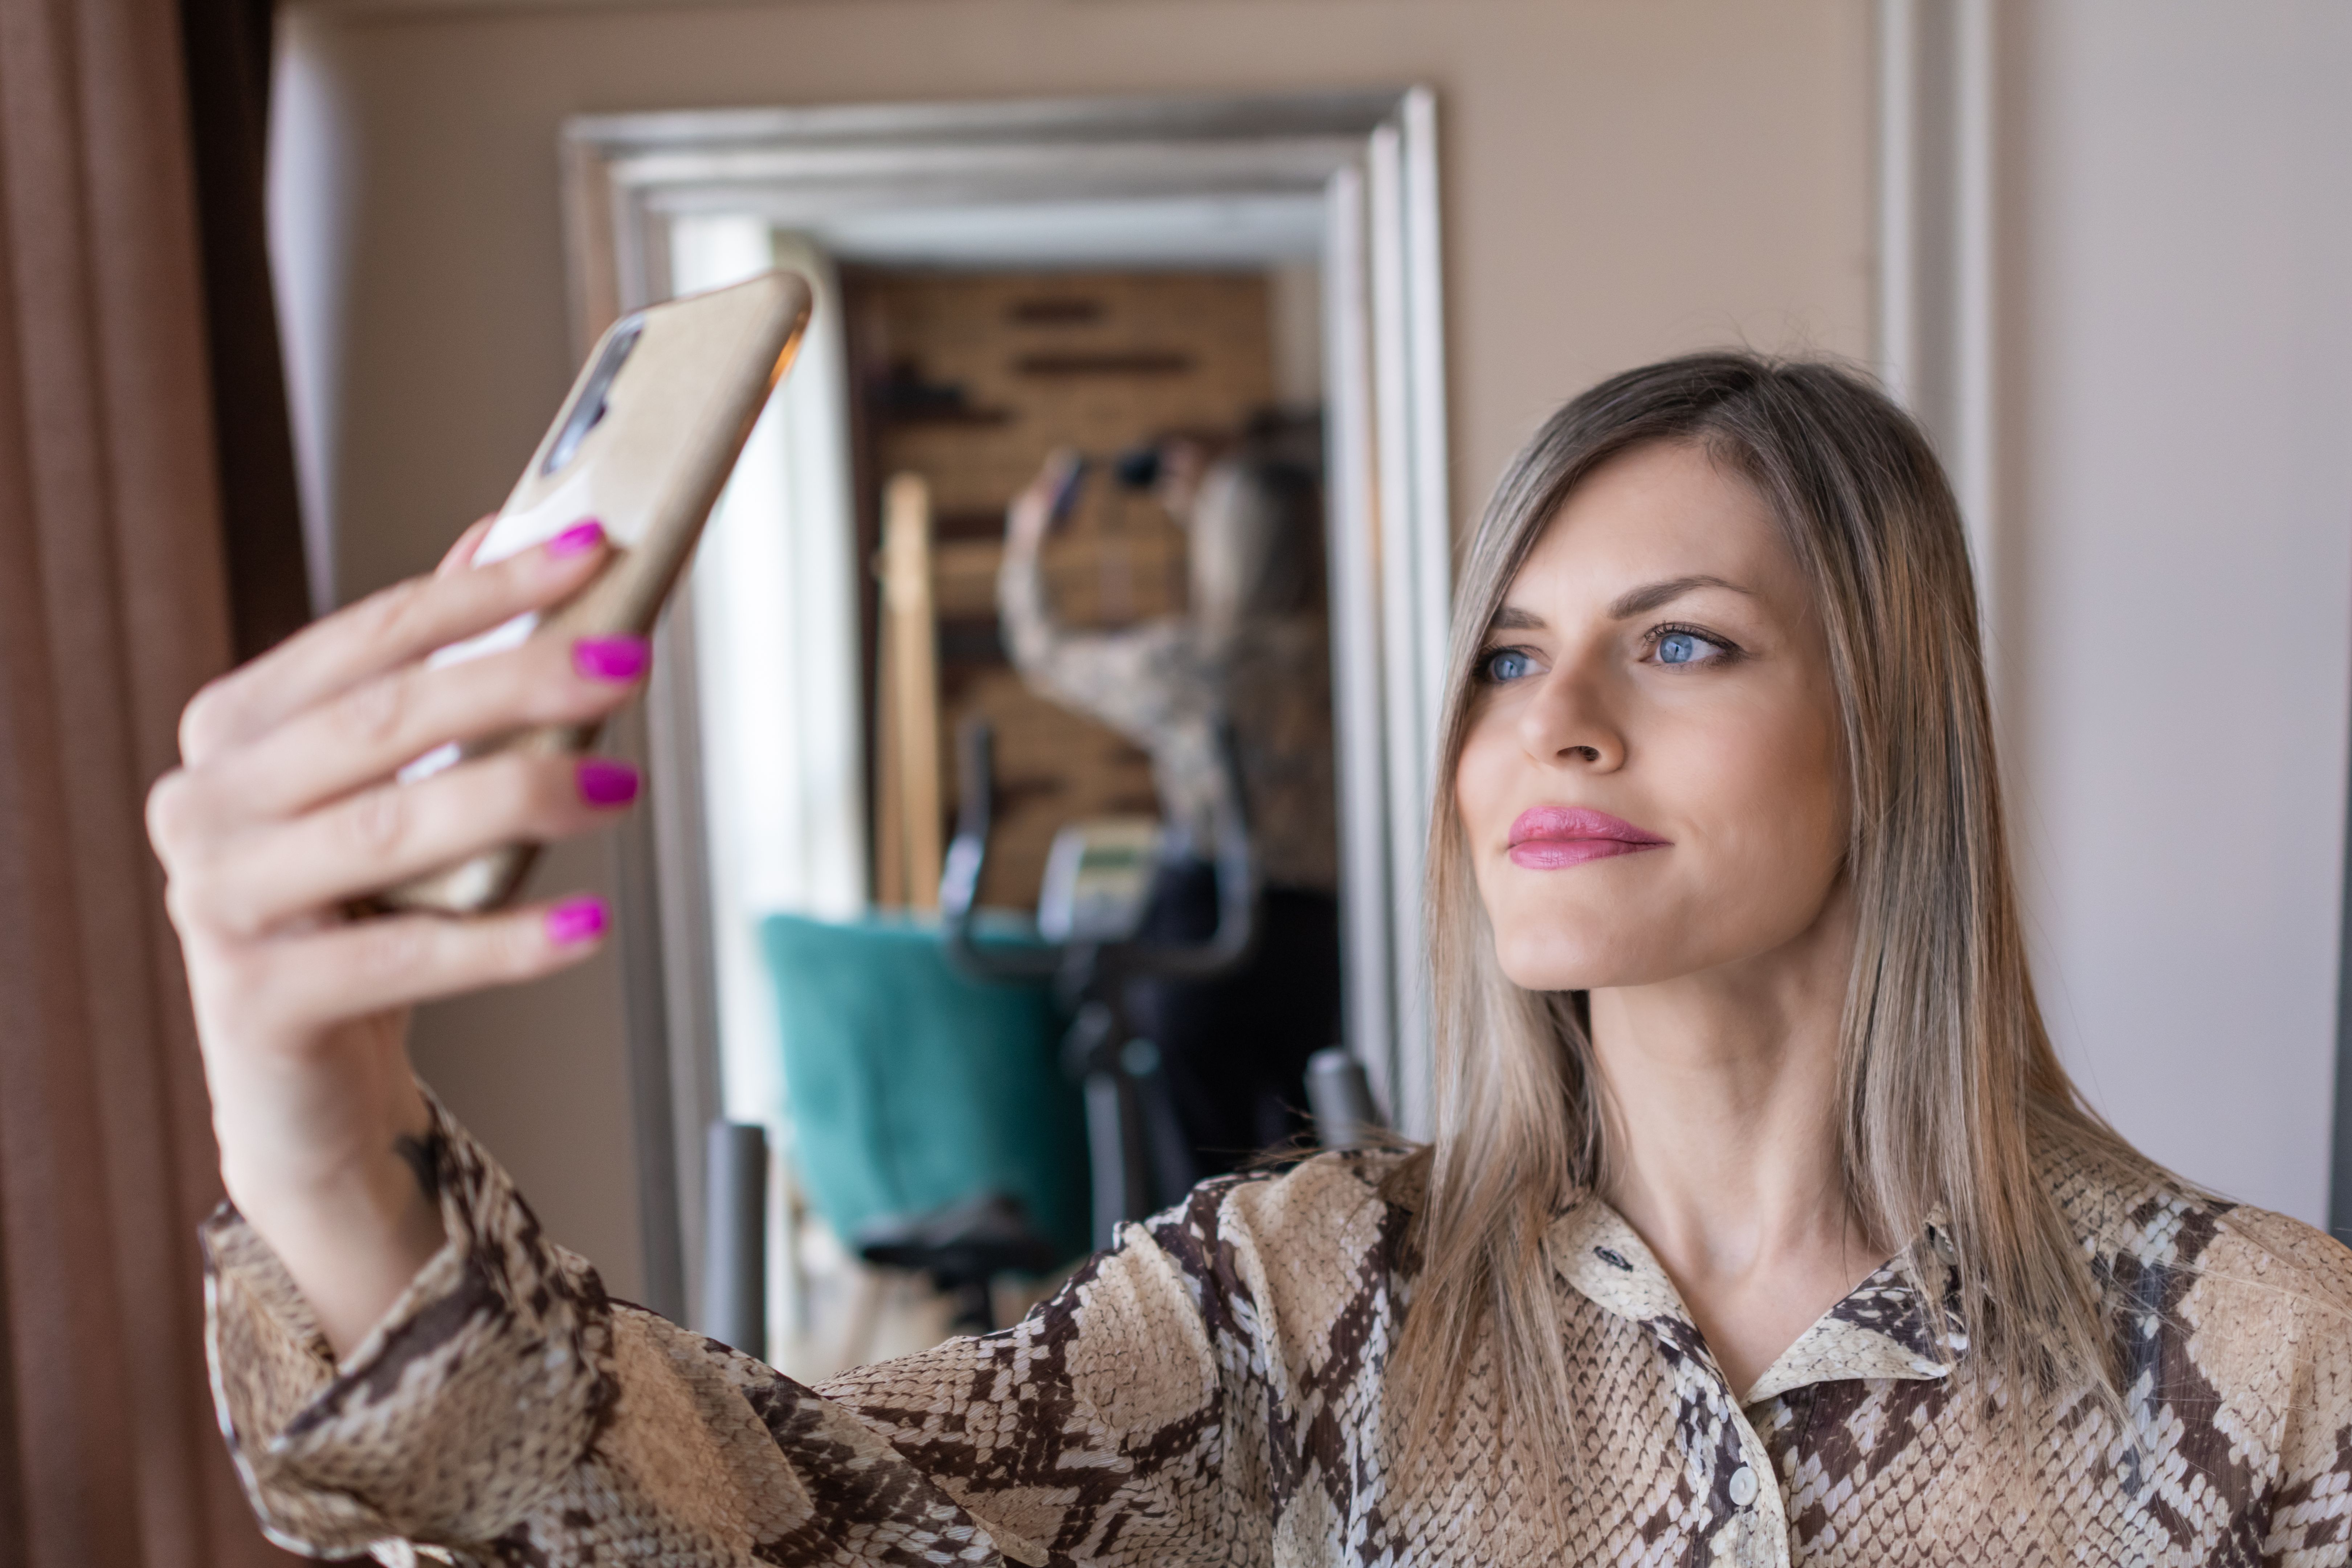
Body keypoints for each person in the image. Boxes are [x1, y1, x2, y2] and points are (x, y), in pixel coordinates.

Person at [152, 353, 2352, 1565]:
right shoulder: (1315, 1300)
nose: (1553, 724)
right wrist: (318, 1127)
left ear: (1896, 736)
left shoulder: (2272, 1369)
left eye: (1680, 643)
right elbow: (755, 1511)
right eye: (1505, 657)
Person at [997, 420, 1341, 1181]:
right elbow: (1271, 565)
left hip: (1206, 937)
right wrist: (1216, 507)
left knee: (1210, 1190)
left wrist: (1029, 544)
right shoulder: (1354, 654)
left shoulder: (1194, 667)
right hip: (1321, 937)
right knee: (1316, 1174)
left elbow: (1045, 650)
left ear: (1222, 547)